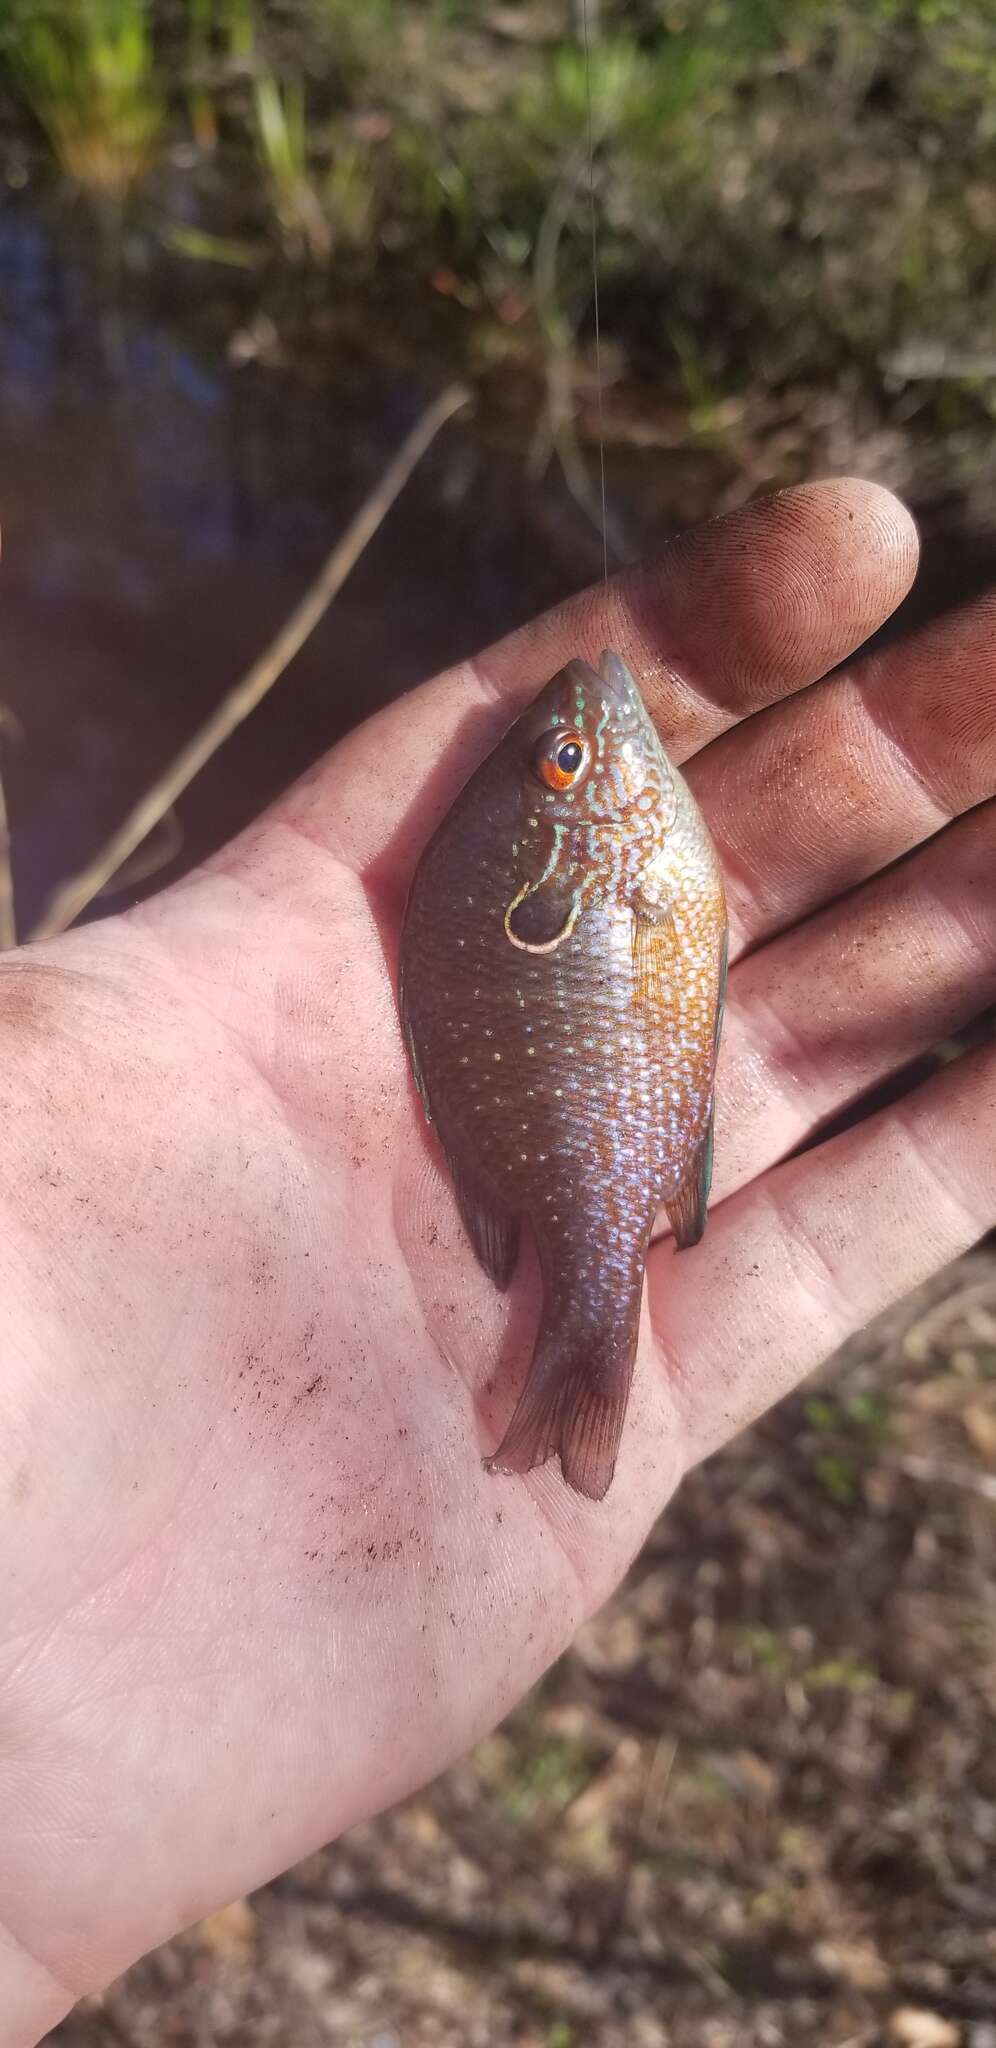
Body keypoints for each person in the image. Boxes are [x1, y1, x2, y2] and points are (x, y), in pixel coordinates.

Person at [2, 478, 994, 2045]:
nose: (585, 731)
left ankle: (582, 1344)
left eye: (569, 756)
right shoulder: (601, 840)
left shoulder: (590, 835)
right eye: (573, 760)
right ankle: (583, 1351)